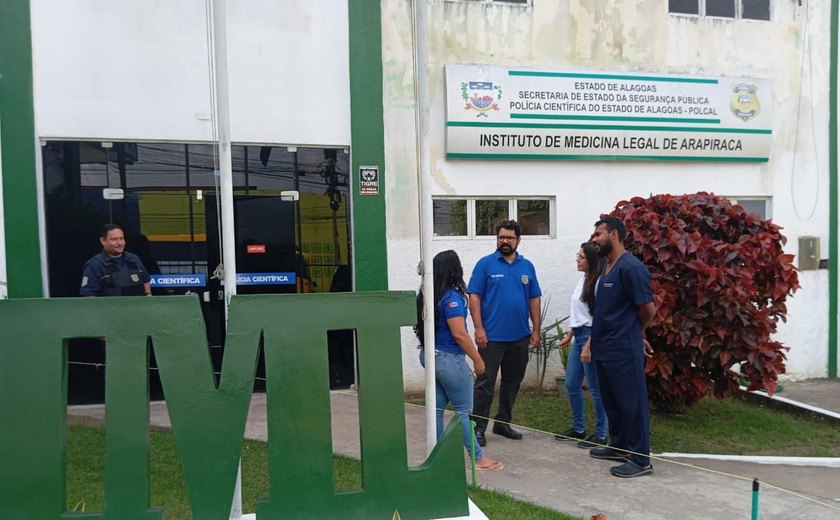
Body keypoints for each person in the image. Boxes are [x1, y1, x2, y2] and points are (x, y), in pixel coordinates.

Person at [416, 250, 503, 471]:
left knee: (436, 408)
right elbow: (460, 334)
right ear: (456, 270)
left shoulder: (426, 294)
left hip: (430, 355)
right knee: (464, 411)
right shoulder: (451, 297)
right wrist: (478, 359)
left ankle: (435, 455)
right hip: (449, 359)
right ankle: (479, 458)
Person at [587, 217, 655, 478]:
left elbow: (647, 309)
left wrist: (637, 332)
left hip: (624, 349)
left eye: (598, 234)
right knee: (612, 402)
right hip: (604, 348)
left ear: (614, 234)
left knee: (632, 404)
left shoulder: (631, 268)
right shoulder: (606, 265)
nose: (594, 239)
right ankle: (620, 447)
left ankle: (640, 460)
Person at [468, 220, 542, 446]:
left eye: (510, 237)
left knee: (512, 382)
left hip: (519, 337)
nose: (505, 241)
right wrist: (479, 328)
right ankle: (477, 428)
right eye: (501, 237)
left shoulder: (527, 266)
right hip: (491, 339)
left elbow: (534, 298)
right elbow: (474, 297)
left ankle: (502, 423)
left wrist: (536, 330)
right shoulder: (485, 264)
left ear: (518, 240)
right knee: (484, 384)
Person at [554, 241, 609, 449]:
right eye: (578, 256)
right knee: (571, 384)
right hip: (579, 336)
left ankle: (601, 434)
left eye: (581, 257)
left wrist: (589, 345)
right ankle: (579, 429)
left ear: (592, 260)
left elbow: (599, 318)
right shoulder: (584, 279)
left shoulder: (598, 283)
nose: (577, 260)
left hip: (591, 338)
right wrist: (569, 335)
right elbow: (580, 314)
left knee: (595, 389)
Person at [80, 224, 152, 297]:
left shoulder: (134, 258)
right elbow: (89, 295)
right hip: (110, 308)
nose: (119, 243)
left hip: (138, 307)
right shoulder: (95, 265)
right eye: (114, 239)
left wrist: (148, 295)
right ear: (103, 241)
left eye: (122, 238)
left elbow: (146, 280)